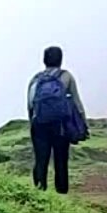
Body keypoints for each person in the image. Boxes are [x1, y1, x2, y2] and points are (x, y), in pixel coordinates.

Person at [27, 46, 86, 194]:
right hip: (60, 125)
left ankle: (39, 192)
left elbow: (30, 103)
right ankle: (61, 194)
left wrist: (33, 122)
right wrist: (83, 124)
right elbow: (77, 103)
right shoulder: (66, 77)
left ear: (44, 60)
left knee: (41, 159)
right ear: (61, 59)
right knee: (61, 160)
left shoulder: (36, 78)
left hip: (39, 124)